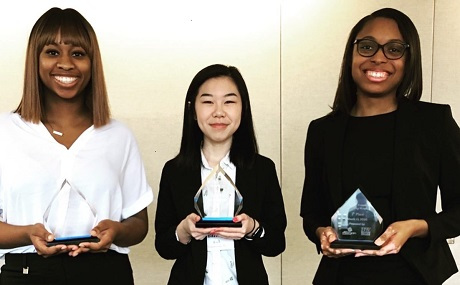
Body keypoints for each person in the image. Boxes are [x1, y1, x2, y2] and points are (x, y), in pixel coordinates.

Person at [300, 7, 460, 285]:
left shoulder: (434, 123)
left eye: (394, 49)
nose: (378, 57)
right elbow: (312, 213)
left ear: (409, 60)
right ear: (352, 54)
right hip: (340, 276)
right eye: (367, 46)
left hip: (414, 275)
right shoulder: (323, 131)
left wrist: (417, 227)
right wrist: (321, 233)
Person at [0, 7, 153, 284]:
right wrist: (27, 233)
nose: (66, 64)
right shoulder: (5, 131)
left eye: (78, 54)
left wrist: (116, 231)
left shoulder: (119, 135)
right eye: (52, 52)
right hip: (27, 273)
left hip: (106, 272)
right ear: (34, 59)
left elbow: (139, 224)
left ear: (92, 63)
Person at [155, 64, 287, 285]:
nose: (218, 112)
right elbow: (164, 247)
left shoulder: (262, 169)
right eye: (207, 101)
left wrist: (252, 228)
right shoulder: (175, 171)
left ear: (243, 109)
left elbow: (276, 244)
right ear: (192, 110)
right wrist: (184, 231)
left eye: (229, 101)